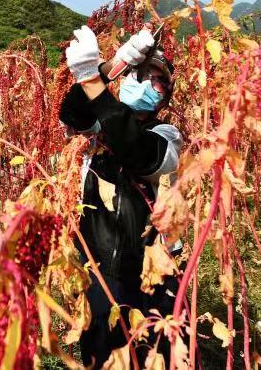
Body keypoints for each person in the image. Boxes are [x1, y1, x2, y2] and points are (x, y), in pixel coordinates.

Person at [59, 25, 183, 368]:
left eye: (155, 79)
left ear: (165, 96)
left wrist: (92, 80)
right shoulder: (103, 126)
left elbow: (136, 150)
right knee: (101, 346)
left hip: (148, 268)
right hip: (98, 259)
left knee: (150, 349)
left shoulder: (167, 135)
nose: (142, 82)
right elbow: (73, 114)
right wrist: (109, 66)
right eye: (136, 74)